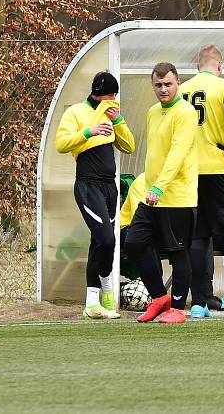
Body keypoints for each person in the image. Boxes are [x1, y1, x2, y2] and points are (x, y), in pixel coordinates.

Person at [56, 71, 135, 320]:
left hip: (109, 187)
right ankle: (105, 290)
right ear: (99, 94)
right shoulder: (77, 112)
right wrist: (89, 132)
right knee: (106, 239)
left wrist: (119, 120)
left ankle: (94, 303)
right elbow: (61, 143)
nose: (113, 99)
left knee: (101, 241)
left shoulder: (112, 112)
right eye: (110, 95)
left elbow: (129, 146)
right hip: (87, 185)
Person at [127, 62, 198, 324]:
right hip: (151, 196)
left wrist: (160, 185)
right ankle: (159, 297)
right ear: (152, 86)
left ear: (177, 83)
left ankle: (178, 308)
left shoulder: (186, 112)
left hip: (177, 196)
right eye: (158, 85)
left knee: (179, 254)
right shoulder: (152, 111)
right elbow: (154, 153)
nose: (163, 89)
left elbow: (177, 153)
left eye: (168, 84)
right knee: (134, 241)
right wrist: (150, 185)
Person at [178, 44, 224, 317]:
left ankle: (199, 301)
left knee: (198, 235)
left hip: (190, 170)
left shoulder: (182, 90)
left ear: (197, 66)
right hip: (220, 168)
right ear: (220, 66)